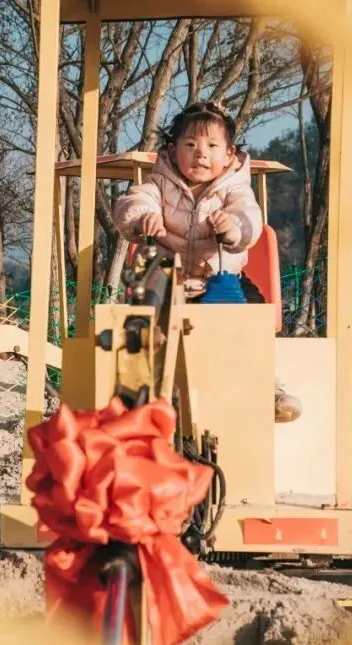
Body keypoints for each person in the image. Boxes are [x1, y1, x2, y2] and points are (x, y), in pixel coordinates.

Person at [112, 101, 302, 423]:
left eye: (212, 146)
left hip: (218, 275)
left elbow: (249, 217)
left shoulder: (234, 189)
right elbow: (134, 201)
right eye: (190, 145)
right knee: (145, 308)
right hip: (168, 278)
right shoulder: (158, 183)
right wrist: (143, 216)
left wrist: (234, 226)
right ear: (173, 151)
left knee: (250, 319)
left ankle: (266, 388)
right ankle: (137, 388)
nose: (200, 153)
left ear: (229, 154)